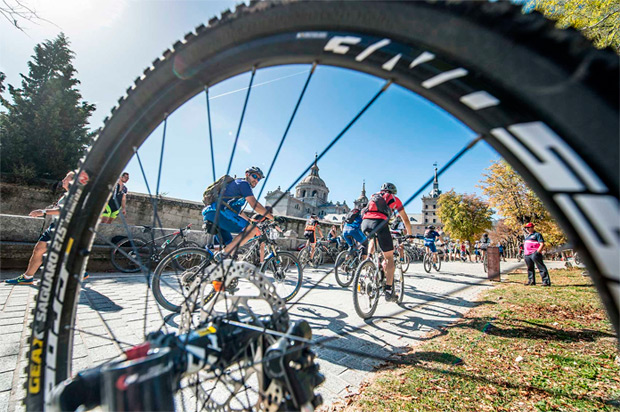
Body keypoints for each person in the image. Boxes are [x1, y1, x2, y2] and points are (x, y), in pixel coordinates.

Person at [6, 171, 88, 284]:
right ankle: (27, 277)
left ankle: (76, 272)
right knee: (39, 250)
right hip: (56, 226)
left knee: (53, 252)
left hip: (64, 227)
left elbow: (64, 211)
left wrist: (43, 211)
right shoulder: (67, 194)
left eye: (66, 178)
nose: (63, 180)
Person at [201, 167, 273, 258]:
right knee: (252, 230)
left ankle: (217, 264)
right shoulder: (244, 184)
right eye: (254, 176)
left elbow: (237, 211)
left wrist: (249, 220)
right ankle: (222, 255)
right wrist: (273, 218)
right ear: (247, 175)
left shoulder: (237, 185)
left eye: (258, 179)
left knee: (231, 246)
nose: (256, 180)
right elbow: (255, 205)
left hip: (212, 213)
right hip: (219, 213)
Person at [361, 182, 412, 302]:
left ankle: (368, 260)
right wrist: (410, 235)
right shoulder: (395, 199)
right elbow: (405, 219)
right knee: (389, 257)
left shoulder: (374, 196)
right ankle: (389, 291)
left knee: (373, 238)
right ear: (393, 192)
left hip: (365, 223)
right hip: (380, 223)